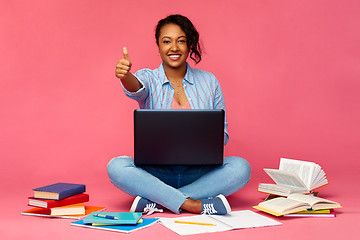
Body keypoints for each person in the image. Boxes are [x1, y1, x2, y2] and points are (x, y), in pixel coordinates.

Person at [107, 14, 251, 215]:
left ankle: (159, 201)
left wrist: (208, 139)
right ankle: (192, 204)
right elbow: (137, 88)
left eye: (180, 41)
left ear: (189, 44)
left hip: (199, 173)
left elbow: (223, 137)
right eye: (166, 41)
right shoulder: (148, 77)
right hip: (156, 173)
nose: (174, 48)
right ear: (158, 46)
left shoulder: (209, 82)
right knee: (117, 166)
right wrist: (125, 76)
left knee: (241, 167)